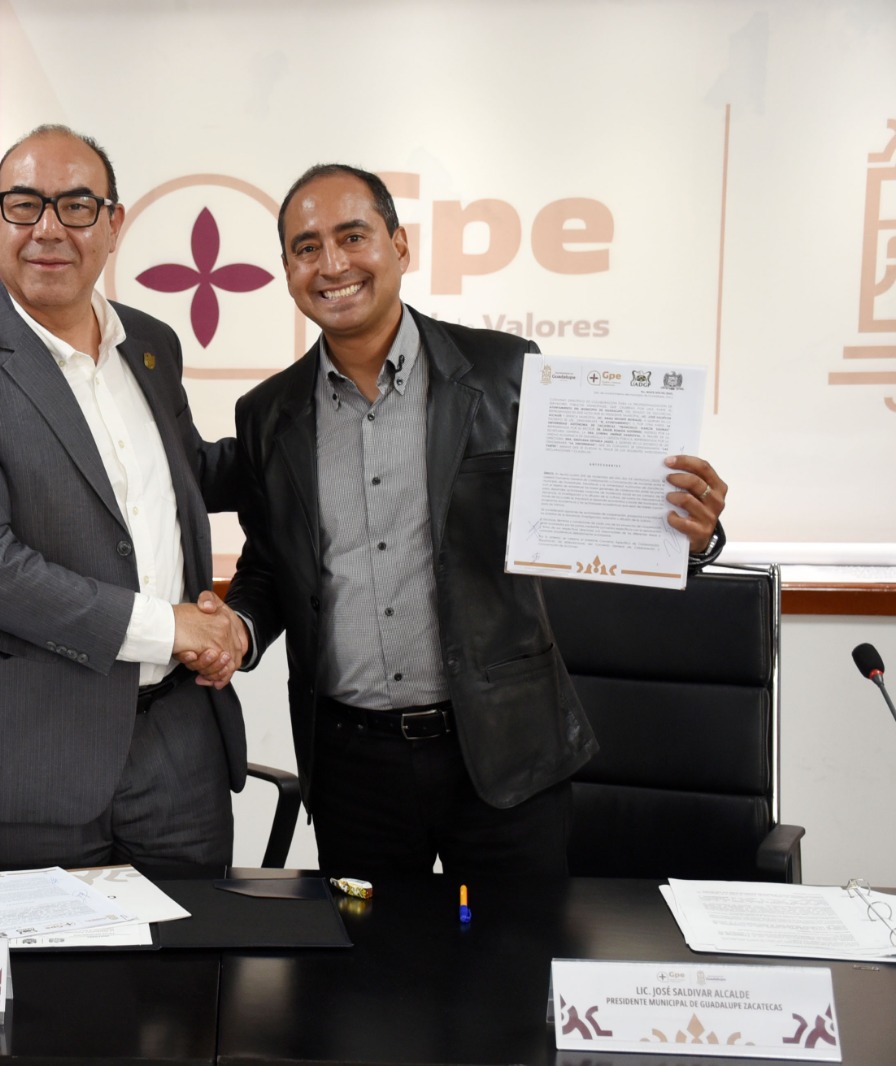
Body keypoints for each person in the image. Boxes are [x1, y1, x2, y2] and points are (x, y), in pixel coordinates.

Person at [223, 164, 729, 879]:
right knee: (371, 955)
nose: (331, 264)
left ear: (400, 246)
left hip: (502, 750)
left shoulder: (506, 372)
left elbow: (594, 504)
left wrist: (686, 533)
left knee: (517, 949)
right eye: (307, 248)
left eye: (353, 236)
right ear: (287, 271)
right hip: (351, 767)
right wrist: (238, 628)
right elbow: (272, 563)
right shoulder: (267, 415)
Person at [0, 125, 248, 867]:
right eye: (24, 205)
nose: (49, 229)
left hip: (180, 747)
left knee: (196, 943)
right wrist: (169, 627)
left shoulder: (150, 344)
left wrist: (306, 429)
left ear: (113, 224)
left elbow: (179, 479)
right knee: (47, 951)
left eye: (77, 206)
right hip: (30, 755)